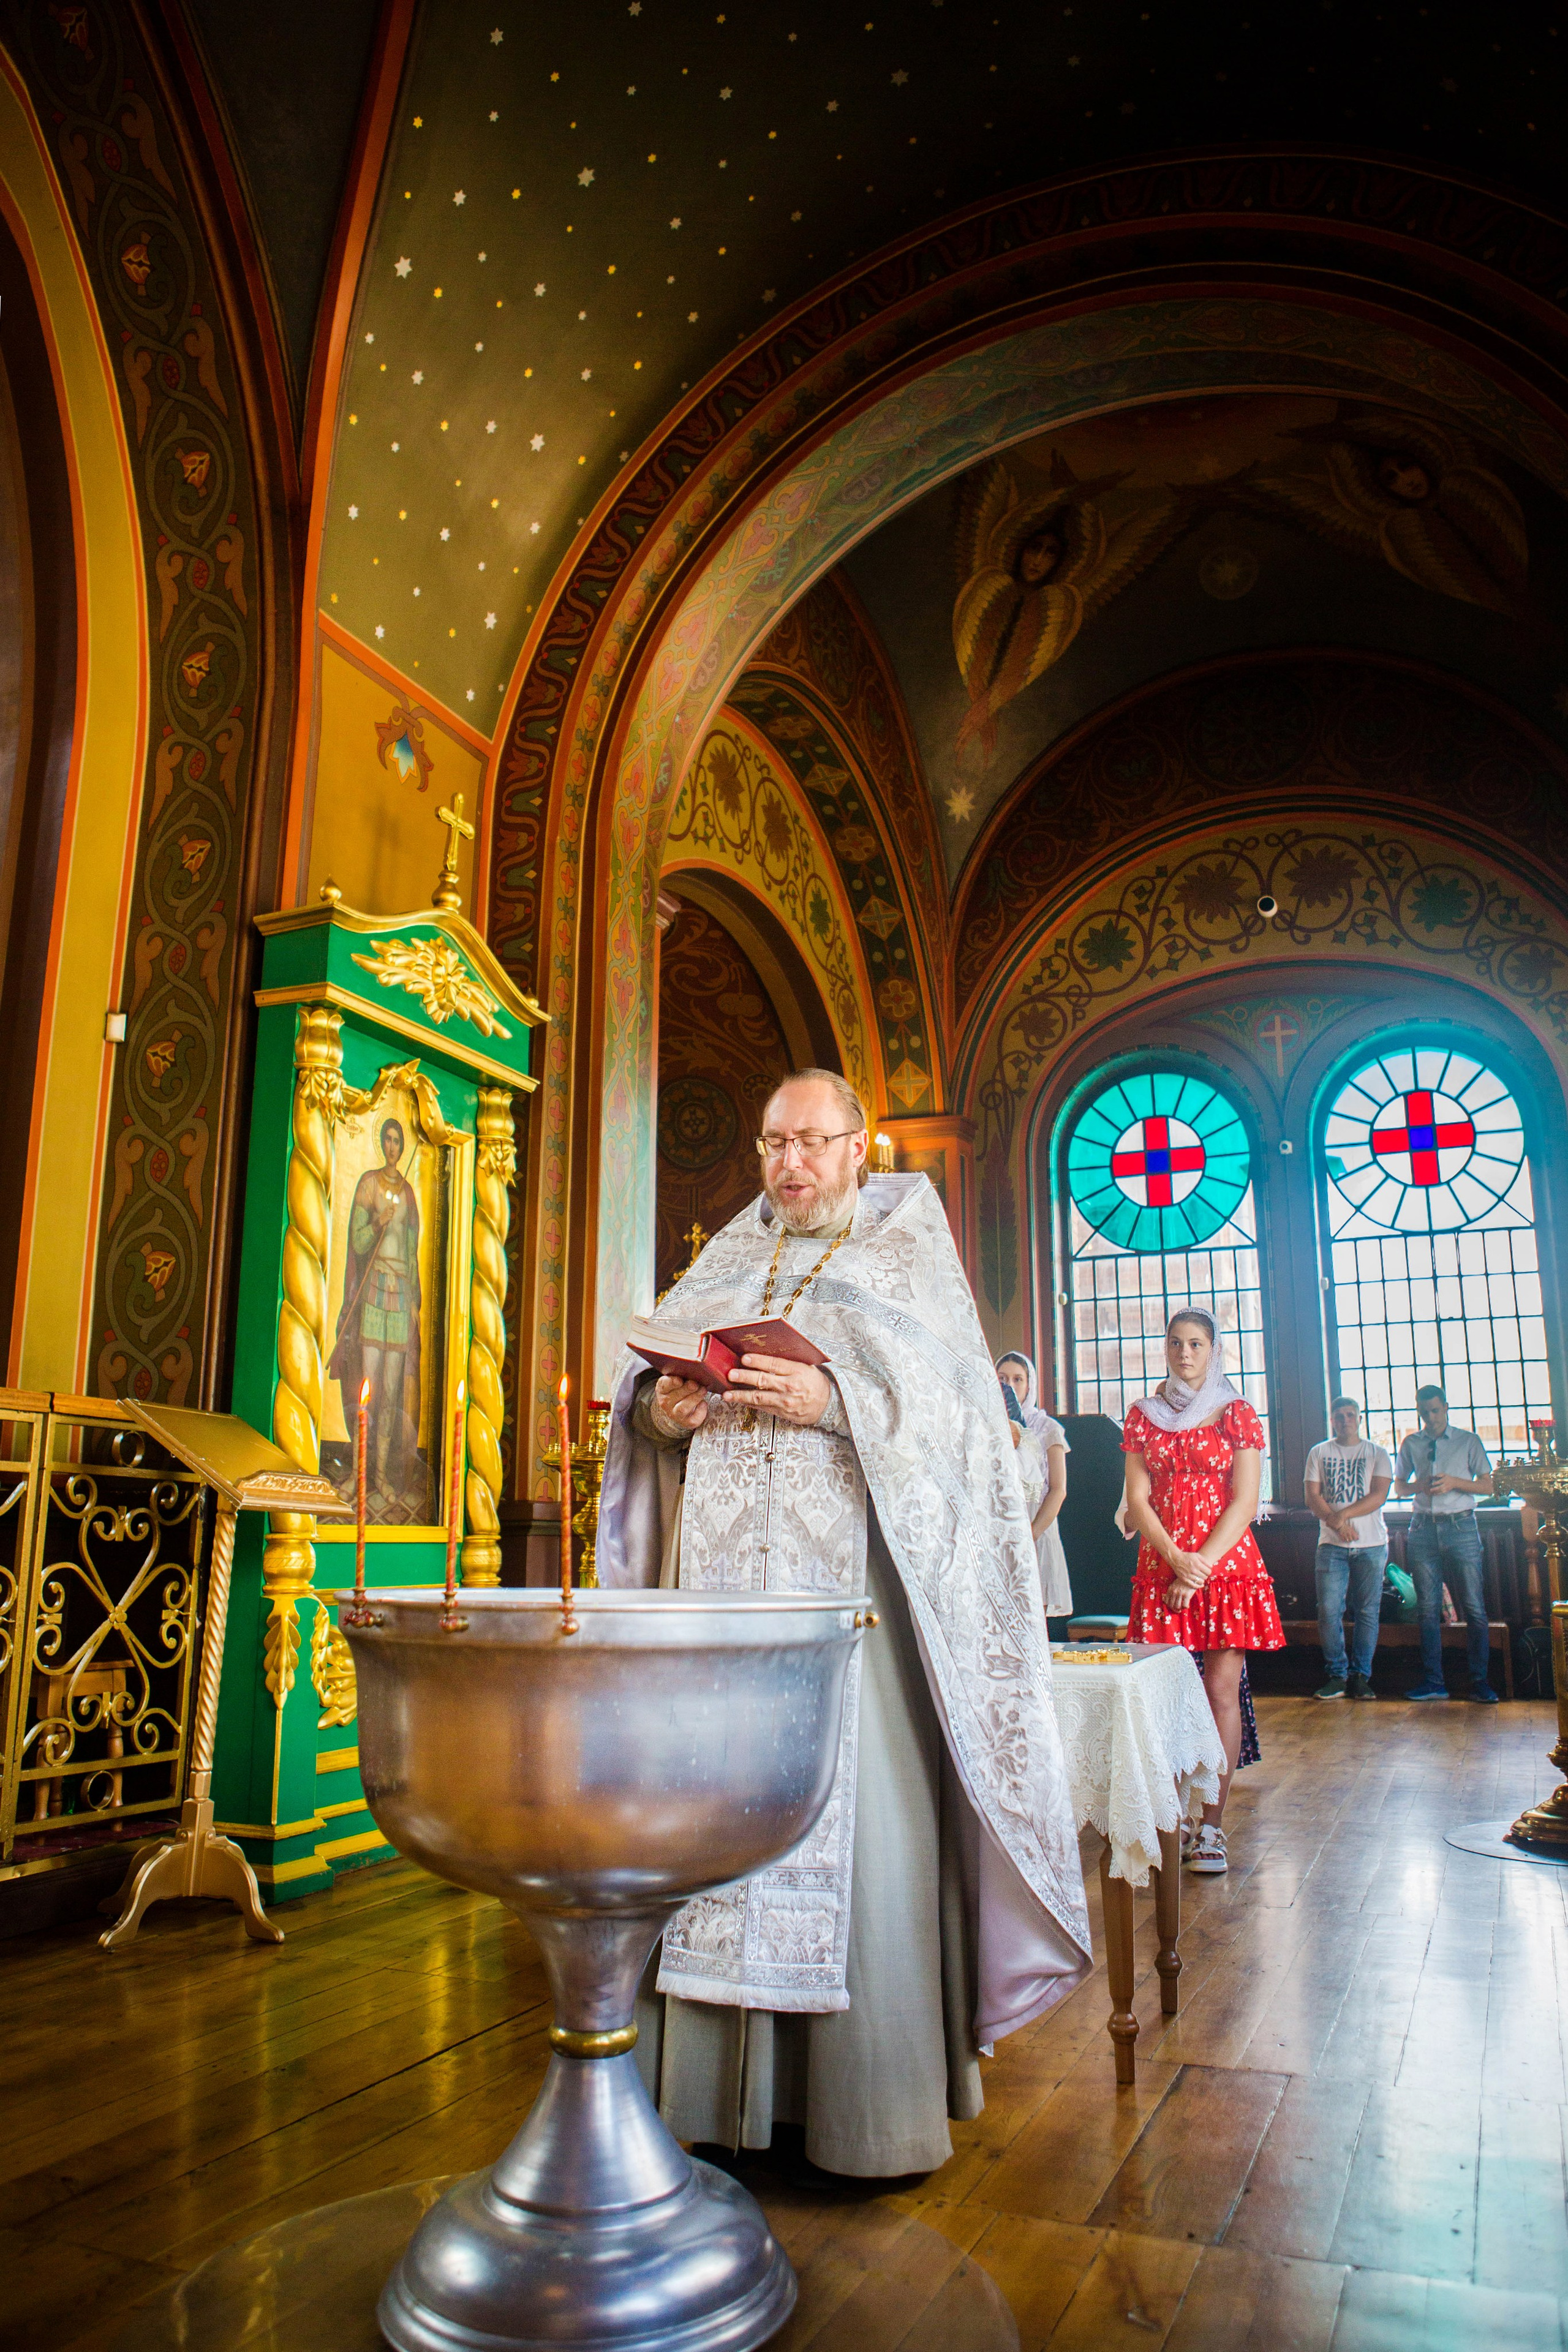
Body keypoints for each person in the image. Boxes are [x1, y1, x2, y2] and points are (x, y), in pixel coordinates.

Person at [597, 1068, 1090, 2177]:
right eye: (774, 1143)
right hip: (719, 1618)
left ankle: (862, 2115)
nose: (791, 1165)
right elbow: (646, 1398)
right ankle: (711, 2108)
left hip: (852, 1619)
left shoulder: (904, 1253)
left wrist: (841, 1403)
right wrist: (663, 1411)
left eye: (813, 1143)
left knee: (861, 1840)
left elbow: (971, 1435)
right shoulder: (730, 1255)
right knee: (712, 1828)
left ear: (859, 1147)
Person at [1121, 1308, 1284, 1877]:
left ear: (1214, 1350)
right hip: (1164, 1564)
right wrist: (1174, 1561)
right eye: (1175, 1343)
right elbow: (1138, 1499)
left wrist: (1201, 1567)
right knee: (1165, 1692)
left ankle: (1211, 1827)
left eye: (1195, 1344)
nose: (1184, 1353)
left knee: (1221, 1690)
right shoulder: (1143, 1415)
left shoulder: (1236, 1412)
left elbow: (1244, 1500)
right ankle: (1173, 1820)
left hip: (1224, 1567)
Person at [329, 1116, 423, 1512]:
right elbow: (357, 1239)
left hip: (400, 1294)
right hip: (373, 1290)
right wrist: (378, 1223)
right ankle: (357, 1472)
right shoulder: (369, 1184)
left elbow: (412, 1252)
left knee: (388, 1391)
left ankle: (381, 1475)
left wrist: (416, 1301)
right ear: (381, 1143)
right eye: (386, 1138)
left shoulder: (410, 1193)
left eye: (397, 1140)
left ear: (403, 1147)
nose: (392, 1146)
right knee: (364, 1387)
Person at [1393, 1386, 1497, 1702]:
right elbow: (1398, 1487)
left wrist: (1454, 1482)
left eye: (1436, 1411)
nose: (1431, 1418)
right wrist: (1419, 1486)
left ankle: (1480, 1682)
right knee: (1426, 1610)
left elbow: (1488, 1485)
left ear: (1447, 1408)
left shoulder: (1469, 1441)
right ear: (1419, 1412)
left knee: (1475, 1607)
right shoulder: (1411, 1443)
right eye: (1425, 1413)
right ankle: (1434, 1682)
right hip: (1423, 1528)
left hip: (1461, 1525)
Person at [1304, 1396, 1393, 1701]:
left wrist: (1343, 1515)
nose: (1345, 1421)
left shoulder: (1377, 1453)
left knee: (1368, 1611)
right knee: (1329, 1610)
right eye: (1339, 1416)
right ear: (1332, 1420)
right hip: (1331, 1545)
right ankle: (1337, 1675)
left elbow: (1379, 1495)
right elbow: (1312, 1497)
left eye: (1350, 1415)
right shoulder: (1319, 1452)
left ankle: (1360, 1677)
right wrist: (1337, 1523)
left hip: (1372, 1545)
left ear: (1359, 1419)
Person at [996, 1351, 1073, 1616]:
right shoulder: (987, 1425)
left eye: (1018, 1380)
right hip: (1001, 1525)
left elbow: (1058, 1489)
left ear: (1030, 1385)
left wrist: (1032, 1533)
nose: (1010, 1386)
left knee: (1033, 1619)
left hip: (1037, 1523)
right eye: (1002, 1379)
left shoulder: (1048, 1427)